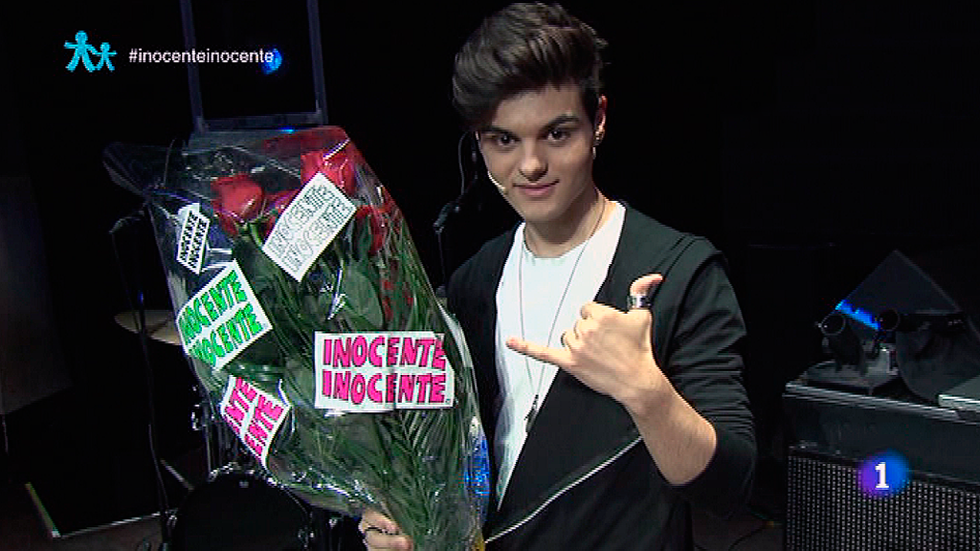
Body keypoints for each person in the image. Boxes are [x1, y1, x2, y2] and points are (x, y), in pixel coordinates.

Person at [360, 3, 755, 549]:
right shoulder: (475, 280)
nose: (530, 165)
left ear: (598, 121)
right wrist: (398, 512)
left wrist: (646, 392)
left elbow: (730, 487)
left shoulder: (678, 271)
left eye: (556, 134)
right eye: (503, 140)